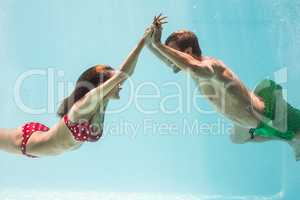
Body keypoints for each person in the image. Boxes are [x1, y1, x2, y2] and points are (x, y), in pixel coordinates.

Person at [148, 15, 300, 160]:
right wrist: (149, 42)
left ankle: (290, 138)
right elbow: (172, 63)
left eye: (173, 52)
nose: (170, 56)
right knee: (236, 138)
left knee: (296, 134)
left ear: (188, 52)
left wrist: (158, 44)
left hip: (267, 115)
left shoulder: (212, 65)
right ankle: (287, 140)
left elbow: (196, 69)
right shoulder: (186, 66)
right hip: (247, 122)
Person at [0, 26, 154, 158]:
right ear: (102, 85)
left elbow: (125, 74)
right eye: (116, 83)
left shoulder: (102, 101)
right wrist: (142, 41)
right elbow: (122, 74)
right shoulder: (85, 104)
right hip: (25, 142)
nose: (121, 85)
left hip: (43, 136)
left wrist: (146, 43)